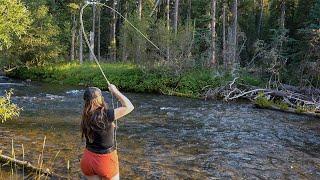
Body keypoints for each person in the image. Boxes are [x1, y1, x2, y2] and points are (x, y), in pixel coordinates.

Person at [80, 84, 134, 180]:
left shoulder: (85, 115)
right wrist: (115, 91)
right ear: (100, 98)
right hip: (105, 161)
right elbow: (129, 106)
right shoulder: (107, 114)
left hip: (87, 159)